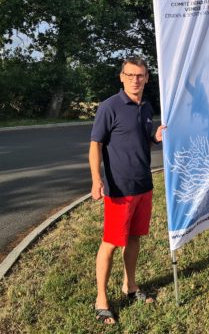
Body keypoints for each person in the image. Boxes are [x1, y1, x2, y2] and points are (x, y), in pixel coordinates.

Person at [89, 57, 165, 325]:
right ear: (121, 77)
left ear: (146, 78)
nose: (136, 80)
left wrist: (155, 137)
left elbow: (143, 140)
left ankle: (130, 286)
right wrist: (96, 179)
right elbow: (96, 144)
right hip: (119, 189)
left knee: (134, 238)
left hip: (143, 185)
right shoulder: (109, 107)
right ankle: (101, 299)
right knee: (110, 243)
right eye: (130, 75)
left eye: (141, 75)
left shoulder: (146, 107)